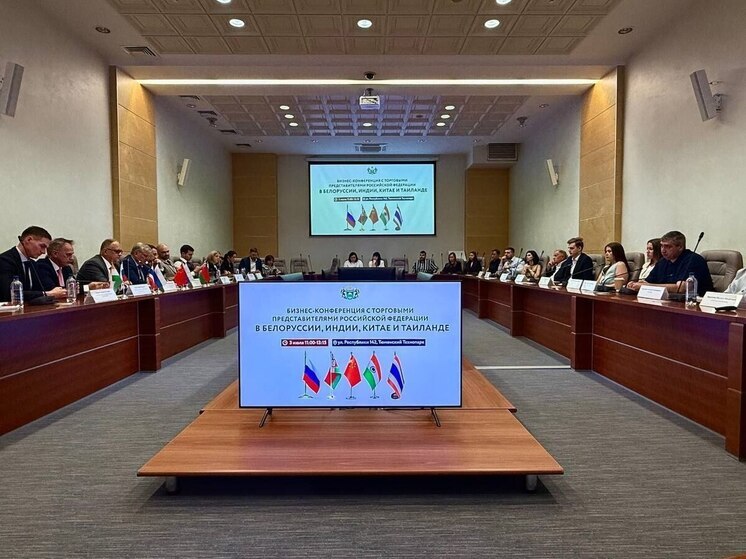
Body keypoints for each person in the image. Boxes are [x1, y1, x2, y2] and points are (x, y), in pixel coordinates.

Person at [627, 230, 713, 296]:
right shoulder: (662, 262)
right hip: (668, 302)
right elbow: (648, 282)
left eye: (668, 246)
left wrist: (647, 286)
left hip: (695, 305)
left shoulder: (693, 260)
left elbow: (681, 288)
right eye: (662, 246)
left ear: (680, 247)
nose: (663, 250)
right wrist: (637, 284)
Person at [0, 225, 53, 302]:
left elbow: (38, 289)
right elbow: (9, 293)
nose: (43, 252)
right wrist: (46, 294)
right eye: (42, 246)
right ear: (29, 239)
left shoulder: (32, 264)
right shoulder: (5, 260)